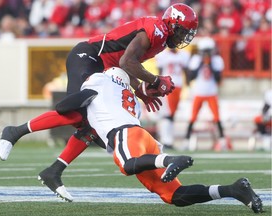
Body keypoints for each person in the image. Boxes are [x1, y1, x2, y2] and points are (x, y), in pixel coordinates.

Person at [0, 3, 198, 200]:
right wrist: (155, 80)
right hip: (88, 56)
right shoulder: (157, 30)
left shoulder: (160, 41)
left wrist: (141, 91)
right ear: (172, 24)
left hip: (104, 68)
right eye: (182, 31)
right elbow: (126, 62)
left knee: (93, 127)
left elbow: (126, 64)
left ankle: (54, 171)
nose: (182, 38)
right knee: (77, 113)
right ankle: (15, 132)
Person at [40, 67, 262, 213]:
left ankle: (170, 160)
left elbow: (64, 106)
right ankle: (233, 190)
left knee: (127, 166)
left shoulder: (100, 82)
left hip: (124, 133)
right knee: (174, 196)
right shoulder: (129, 97)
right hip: (142, 137)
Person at [183, 37, 230, 151]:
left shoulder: (217, 60)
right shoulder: (195, 60)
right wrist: (201, 64)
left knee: (217, 117)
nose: (207, 54)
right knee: (193, 117)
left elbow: (218, 78)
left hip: (211, 92)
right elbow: (191, 76)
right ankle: (186, 140)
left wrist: (209, 65)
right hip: (199, 92)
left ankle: (222, 140)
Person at [154, 48, 190, 149]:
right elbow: (159, 72)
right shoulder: (162, 55)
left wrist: (188, 85)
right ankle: (166, 140)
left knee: (172, 115)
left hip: (178, 86)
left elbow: (186, 71)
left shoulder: (184, 55)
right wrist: (158, 87)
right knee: (167, 114)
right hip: (167, 86)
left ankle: (168, 140)